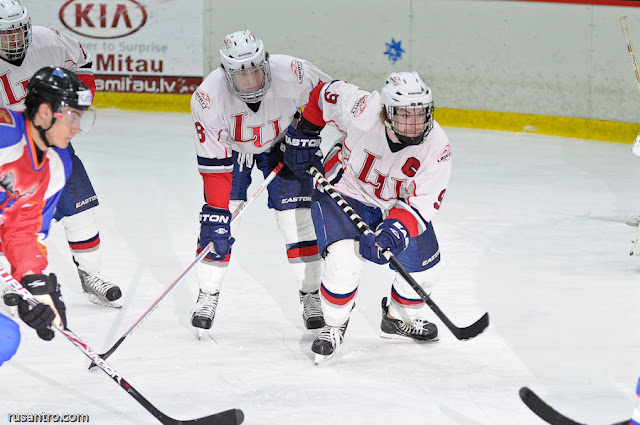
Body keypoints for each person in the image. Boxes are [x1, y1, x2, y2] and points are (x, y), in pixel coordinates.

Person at [282, 71, 452, 364]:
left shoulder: (438, 146)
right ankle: (333, 326)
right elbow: (324, 93)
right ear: (387, 112)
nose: (415, 123)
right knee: (343, 261)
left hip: (394, 205)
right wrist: (304, 133)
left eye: (421, 114)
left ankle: (398, 319)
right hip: (344, 189)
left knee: (425, 271)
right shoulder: (363, 109)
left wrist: (393, 231)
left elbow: (421, 203)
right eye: (404, 115)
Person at [189, 29, 330, 338]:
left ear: (266, 62)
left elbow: (329, 98)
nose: (250, 81)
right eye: (241, 75)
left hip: (284, 145)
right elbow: (214, 169)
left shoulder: (293, 71)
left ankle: (310, 295)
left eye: (255, 71)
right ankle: (208, 292)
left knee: (299, 222)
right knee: (220, 219)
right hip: (233, 151)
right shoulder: (207, 97)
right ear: (225, 73)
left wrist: (305, 132)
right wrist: (216, 209)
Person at [0, 0, 122, 309]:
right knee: (9, 215)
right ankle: (7, 276)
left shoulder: (49, 40)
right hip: (6, 148)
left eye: (19, 32)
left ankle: (91, 274)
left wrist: (69, 115)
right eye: (5, 35)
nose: (14, 42)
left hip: (48, 143)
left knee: (80, 208)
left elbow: (80, 68)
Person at [0, 66, 89, 358]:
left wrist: (32, 281)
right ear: (44, 113)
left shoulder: (58, 164)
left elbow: (23, 229)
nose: (76, 129)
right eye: (71, 117)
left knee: (5, 337)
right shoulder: (4, 134)